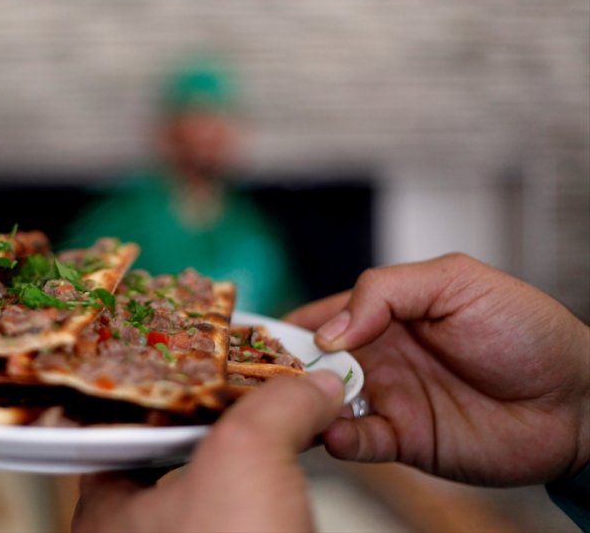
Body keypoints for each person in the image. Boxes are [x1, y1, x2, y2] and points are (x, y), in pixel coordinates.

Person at [73, 253, 590, 532]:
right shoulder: (126, 212)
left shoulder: (252, 226)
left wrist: (578, 410)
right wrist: (576, 415)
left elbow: (281, 301)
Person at [66, 58, 299, 316]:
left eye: (224, 116)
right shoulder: (117, 220)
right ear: (168, 131)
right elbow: (70, 298)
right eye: (200, 116)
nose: (214, 131)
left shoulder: (254, 226)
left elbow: (286, 311)